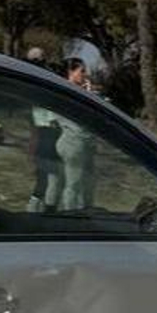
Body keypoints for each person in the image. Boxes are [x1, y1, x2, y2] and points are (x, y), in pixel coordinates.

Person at [56, 58, 97, 211]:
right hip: (74, 142)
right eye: (82, 71)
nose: (85, 75)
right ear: (70, 72)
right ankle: (71, 212)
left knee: (87, 182)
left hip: (83, 142)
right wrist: (88, 96)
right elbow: (83, 116)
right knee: (74, 183)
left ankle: (84, 211)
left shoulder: (77, 91)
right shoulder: (66, 92)